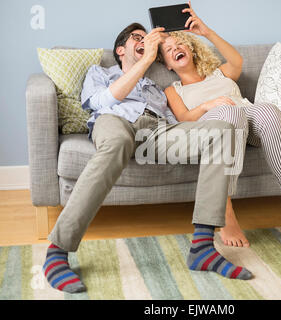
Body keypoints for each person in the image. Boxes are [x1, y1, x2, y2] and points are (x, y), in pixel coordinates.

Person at [42, 23, 253, 294]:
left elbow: (175, 120)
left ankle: (202, 248)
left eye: (147, 38)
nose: (144, 41)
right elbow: (102, 101)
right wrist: (145, 60)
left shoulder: (154, 86)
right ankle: (57, 251)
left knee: (222, 131)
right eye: (137, 38)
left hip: (155, 132)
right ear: (120, 50)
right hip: (116, 121)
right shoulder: (101, 73)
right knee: (117, 142)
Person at [159, 1, 281, 248]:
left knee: (269, 111)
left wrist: (205, 31)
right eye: (168, 49)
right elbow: (184, 119)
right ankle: (225, 208)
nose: (176, 48)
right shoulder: (173, 90)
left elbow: (237, 60)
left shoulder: (220, 72)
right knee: (229, 113)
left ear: (191, 49)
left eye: (180, 43)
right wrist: (209, 106)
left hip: (247, 119)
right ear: (167, 64)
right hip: (214, 126)